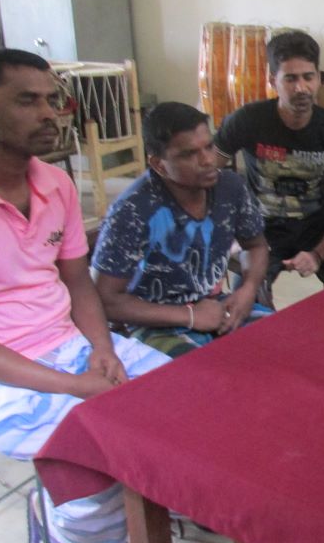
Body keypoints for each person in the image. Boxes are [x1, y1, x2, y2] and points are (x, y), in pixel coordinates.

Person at [0, 49, 170, 543]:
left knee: (183, 403)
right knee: (93, 470)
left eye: (53, 100)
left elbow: (77, 282)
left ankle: (135, 507)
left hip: (69, 345)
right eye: (27, 101)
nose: (50, 113)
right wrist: (74, 386)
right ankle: (60, 526)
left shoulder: (55, 184)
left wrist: (100, 350)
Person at [92, 102, 271, 358]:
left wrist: (249, 288)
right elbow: (106, 300)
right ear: (159, 164)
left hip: (216, 307)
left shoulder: (230, 188)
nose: (208, 160)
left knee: (287, 343)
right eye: (189, 154)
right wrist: (189, 316)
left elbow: (255, 245)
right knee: (204, 382)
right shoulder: (132, 211)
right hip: (155, 323)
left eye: (209, 146)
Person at [214, 30, 324, 287]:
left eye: (308, 77)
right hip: (259, 228)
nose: (301, 88)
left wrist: (318, 254)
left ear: (319, 78)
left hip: (316, 226)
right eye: (290, 79)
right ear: (273, 80)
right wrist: (229, 232)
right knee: (247, 304)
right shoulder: (246, 120)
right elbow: (203, 176)